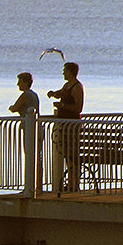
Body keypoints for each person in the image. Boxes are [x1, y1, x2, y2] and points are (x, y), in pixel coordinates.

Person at [47, 62, 84, 190]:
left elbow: (78, 108)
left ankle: (75, 184)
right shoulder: (67, 85)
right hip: (64, 125)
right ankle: (71, 183)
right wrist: (53, 94)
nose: (63, 73)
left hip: (72, 125)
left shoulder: (77, 87)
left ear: (70, 72)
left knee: (72, 154)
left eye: (65, 71)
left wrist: (62, 106)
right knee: (67, 155)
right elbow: (61, 93)